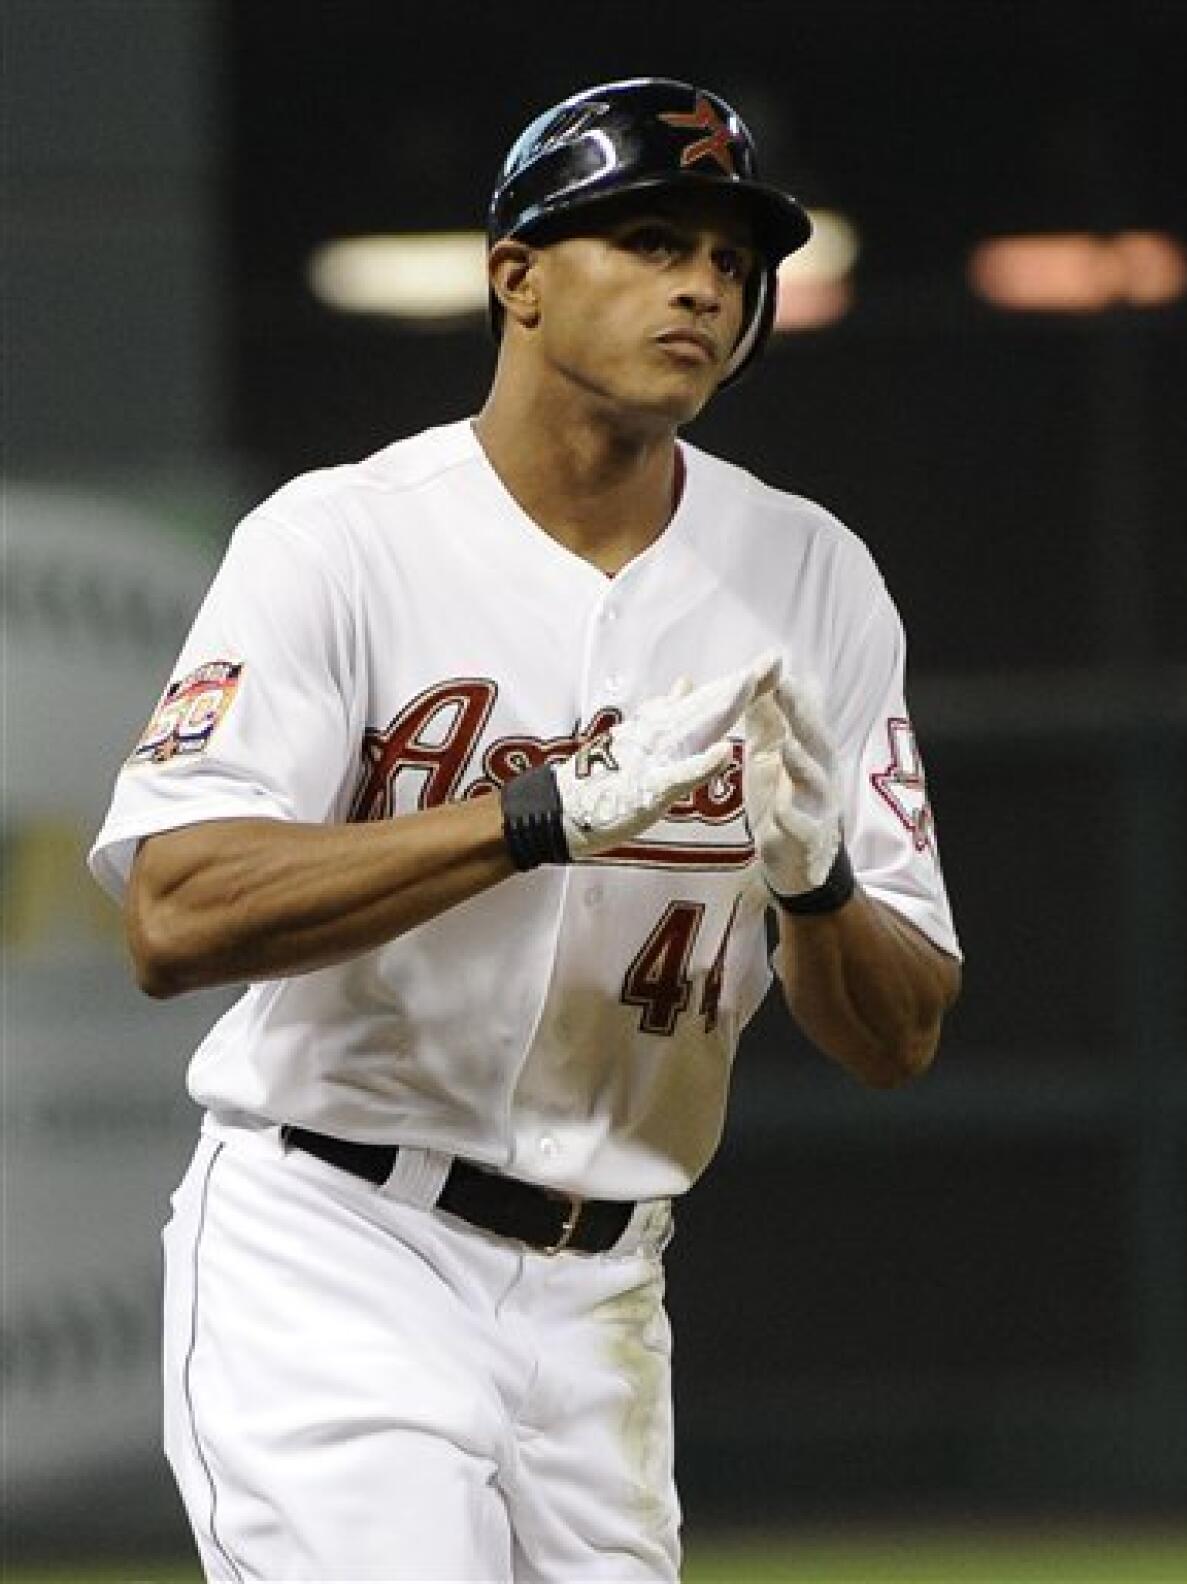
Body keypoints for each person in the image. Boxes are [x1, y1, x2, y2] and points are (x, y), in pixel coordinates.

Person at [89, 76, 961, 1584]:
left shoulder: (812, 575)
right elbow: (175, 913)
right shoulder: (340, 540)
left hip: (607, 1296)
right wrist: (534, 816)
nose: (703, 280)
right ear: (517, 277)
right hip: (338, 1243)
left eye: (733, 257)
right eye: (645, 235)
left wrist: (815, 886)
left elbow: (897, 1036)